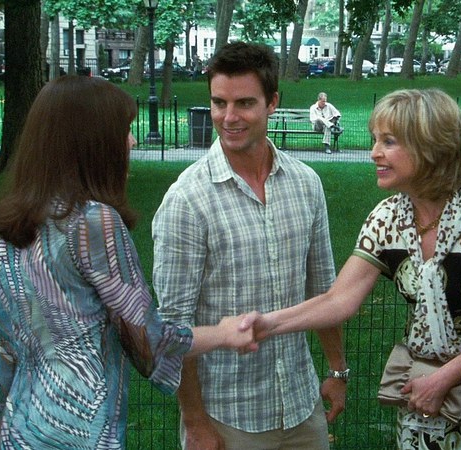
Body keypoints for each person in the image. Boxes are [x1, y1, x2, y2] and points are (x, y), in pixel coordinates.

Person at [0, 75, 256, 449]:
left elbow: (4, 351)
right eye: (124, 131)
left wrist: (3, 420)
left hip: (18, 430)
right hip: (79, 434)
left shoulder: (16, 226)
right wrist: (225, 333)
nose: (131, 141)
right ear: (92, 141)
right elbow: (148, 340)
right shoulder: (93, 222)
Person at [244, 88, 461, 449]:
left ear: (430, 146)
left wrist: (445, 378)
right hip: (420, 395)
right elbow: (339, 300)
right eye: (375, 139)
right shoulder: (386, 218)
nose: (374, 152)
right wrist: (268, 324)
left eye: (389, 141)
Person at [151, 42, 347, 450]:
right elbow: (174, 327)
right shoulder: (187, 200)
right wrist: (195, 423)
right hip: (227, 417)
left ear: (272, 102)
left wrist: (337, 370)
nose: (228, 117)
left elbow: (324, 291)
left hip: (301, 405)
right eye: (219, 103)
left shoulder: (306, 184)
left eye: (244, 103)